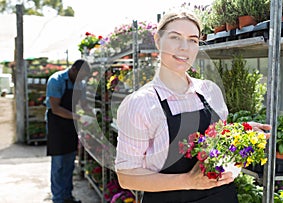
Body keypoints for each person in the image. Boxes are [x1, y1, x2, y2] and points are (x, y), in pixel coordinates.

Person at [115, 10, 271, 203]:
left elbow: (214, 145)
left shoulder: (210, 91)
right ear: (157, 40)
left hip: (222, 197)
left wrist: (238, 134)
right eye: (175, 37)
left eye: (193, 40)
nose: (184, 48)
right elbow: (126, 176)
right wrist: (189, 180)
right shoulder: (140, 104)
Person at [45, 59, 91, 203]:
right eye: (80, 76)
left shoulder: (80, 84)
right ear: (73, 69)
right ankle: (58, 198)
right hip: (56, 124)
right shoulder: (56, 80)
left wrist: (93, 115)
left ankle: (67, 196)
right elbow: (56, 108)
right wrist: (79, 116)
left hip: (70, 125)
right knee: (58, 163)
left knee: (69, 163)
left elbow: (83, 104)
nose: (81, 80)